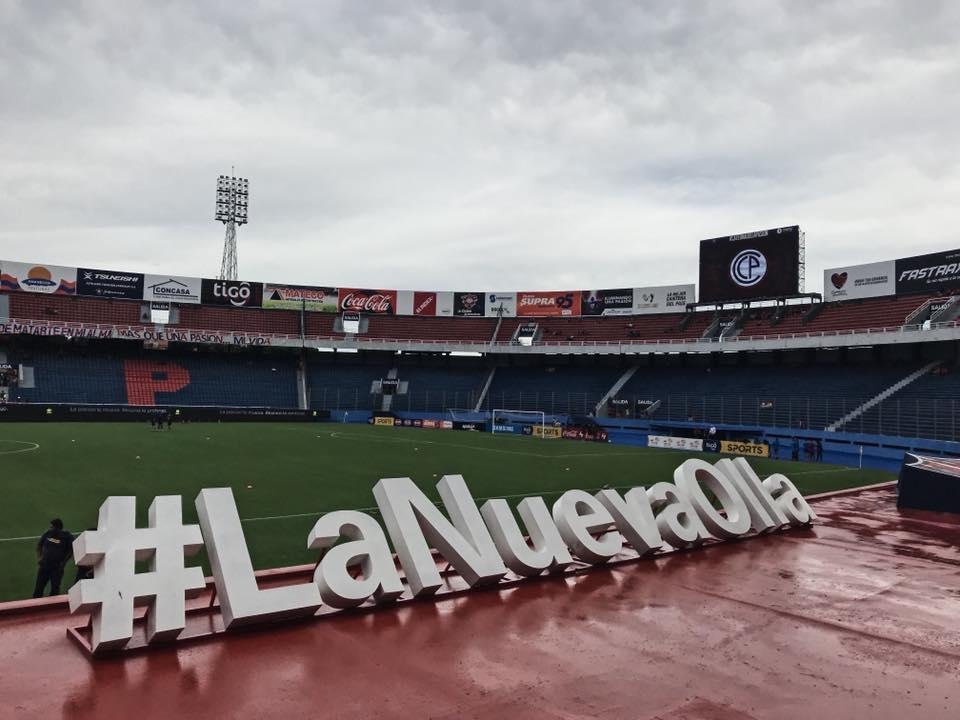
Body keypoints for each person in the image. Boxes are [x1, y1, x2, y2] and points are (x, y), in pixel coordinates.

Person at [33, 518, 74, 598]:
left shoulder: (67, 536)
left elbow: (72, 549)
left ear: (58, 527)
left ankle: (52, 606)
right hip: (44, 565)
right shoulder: (48, 533)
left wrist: (64, 562)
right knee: (38, 587)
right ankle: (34, 605)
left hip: (57, 567)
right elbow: (39, 545)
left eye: (52, 527)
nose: (50, 528)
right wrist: (40, 557)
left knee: (55, 588)